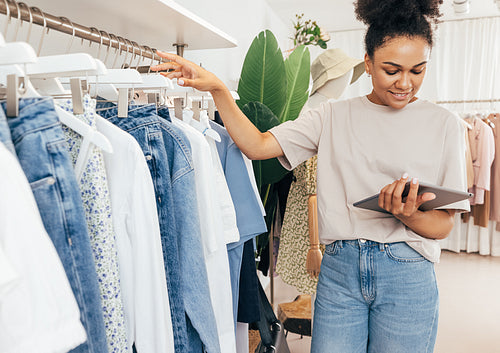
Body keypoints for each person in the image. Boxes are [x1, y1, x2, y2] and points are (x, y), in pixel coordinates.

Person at [151, 0, 470, 351]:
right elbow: (256, 146)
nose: (405, 83)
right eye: (391, 70)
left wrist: (406, 213)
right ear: (368, 62)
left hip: (407, 272)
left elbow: (443, 225)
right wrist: (218, 90)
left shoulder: (446, 126)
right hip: (340, 273)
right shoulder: (332, 116)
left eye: (417, 70)